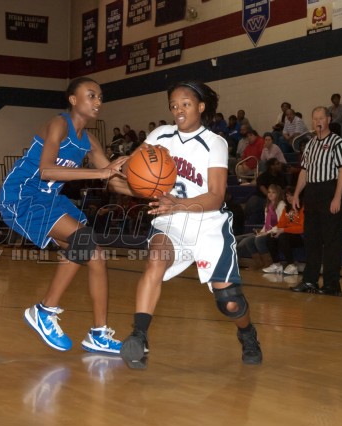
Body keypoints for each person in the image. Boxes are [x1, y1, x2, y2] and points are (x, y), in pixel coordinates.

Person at [119, 80, 263, 369]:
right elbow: (134, 172)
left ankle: (247, 334)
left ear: (201, 106)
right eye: (174, 105)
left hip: (207, 223)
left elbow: (216, 196)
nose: (179, 110)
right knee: (155, 260)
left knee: (230, 301)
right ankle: (139, 336)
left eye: (185, 104)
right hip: (170, 221)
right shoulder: (160, 135)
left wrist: (178, 203)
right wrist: (120, 170)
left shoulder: (215, 143)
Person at [0, 77, 129, 355]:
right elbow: (46, 170)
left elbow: (114, 181)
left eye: (100, 97)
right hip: (22, 194)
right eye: (91, 95)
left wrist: (153, 192)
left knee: (95, 255)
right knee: (84, 240)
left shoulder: (90, 141)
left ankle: (99, 334)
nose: (97, 102)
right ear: (73, 99)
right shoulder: (59, 124)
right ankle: (44, 311)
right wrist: (100, 172)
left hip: (48, 199)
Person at [290, 106, 342, 296]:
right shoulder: (310, 144)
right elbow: (304, 172)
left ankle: (332, 284)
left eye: (321, 118)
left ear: (328, 119)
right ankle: (309, 280)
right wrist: (297, 194)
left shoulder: (337, 142)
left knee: (331, 241)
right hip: (312, 193)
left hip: (329, 191)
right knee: (312, 240)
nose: (318, 122)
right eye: (315, 119)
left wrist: (337, 197)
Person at [236, 184, 285, 269]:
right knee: (248, 241)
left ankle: (269, 262)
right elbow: (266, 224)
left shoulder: (281, 204)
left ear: (278, 194)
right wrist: (262, 232)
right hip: (268, 231)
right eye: (269, 192)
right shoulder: (267, 206)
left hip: (277, 231)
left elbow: (281, 224)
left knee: (258, 240)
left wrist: (266, 233)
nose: (270, 194)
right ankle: (259, 262)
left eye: (273, 192)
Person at [262, 187, 305, 275]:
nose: (289, 198)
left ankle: (292, 265)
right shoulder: (286, 209)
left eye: (291, 195)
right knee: (270, 236)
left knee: (283, 236)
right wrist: (274, 231)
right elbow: (280, 224)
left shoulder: (303, 208)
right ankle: (276, 264)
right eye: (287, 196)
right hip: (287, 234)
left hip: (300, 236)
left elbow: (301, 228)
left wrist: (284, 230)